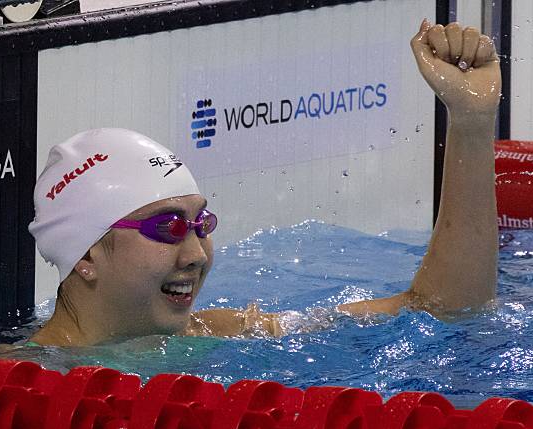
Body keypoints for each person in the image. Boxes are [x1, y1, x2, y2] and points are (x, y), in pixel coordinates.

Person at [27, 19, 501, 346]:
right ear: (86, 254)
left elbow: (442, 307)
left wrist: (473, 123)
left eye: (201, 224)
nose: (196, 254)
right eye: (168, 228)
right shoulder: (2, 380)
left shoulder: (227, 334)